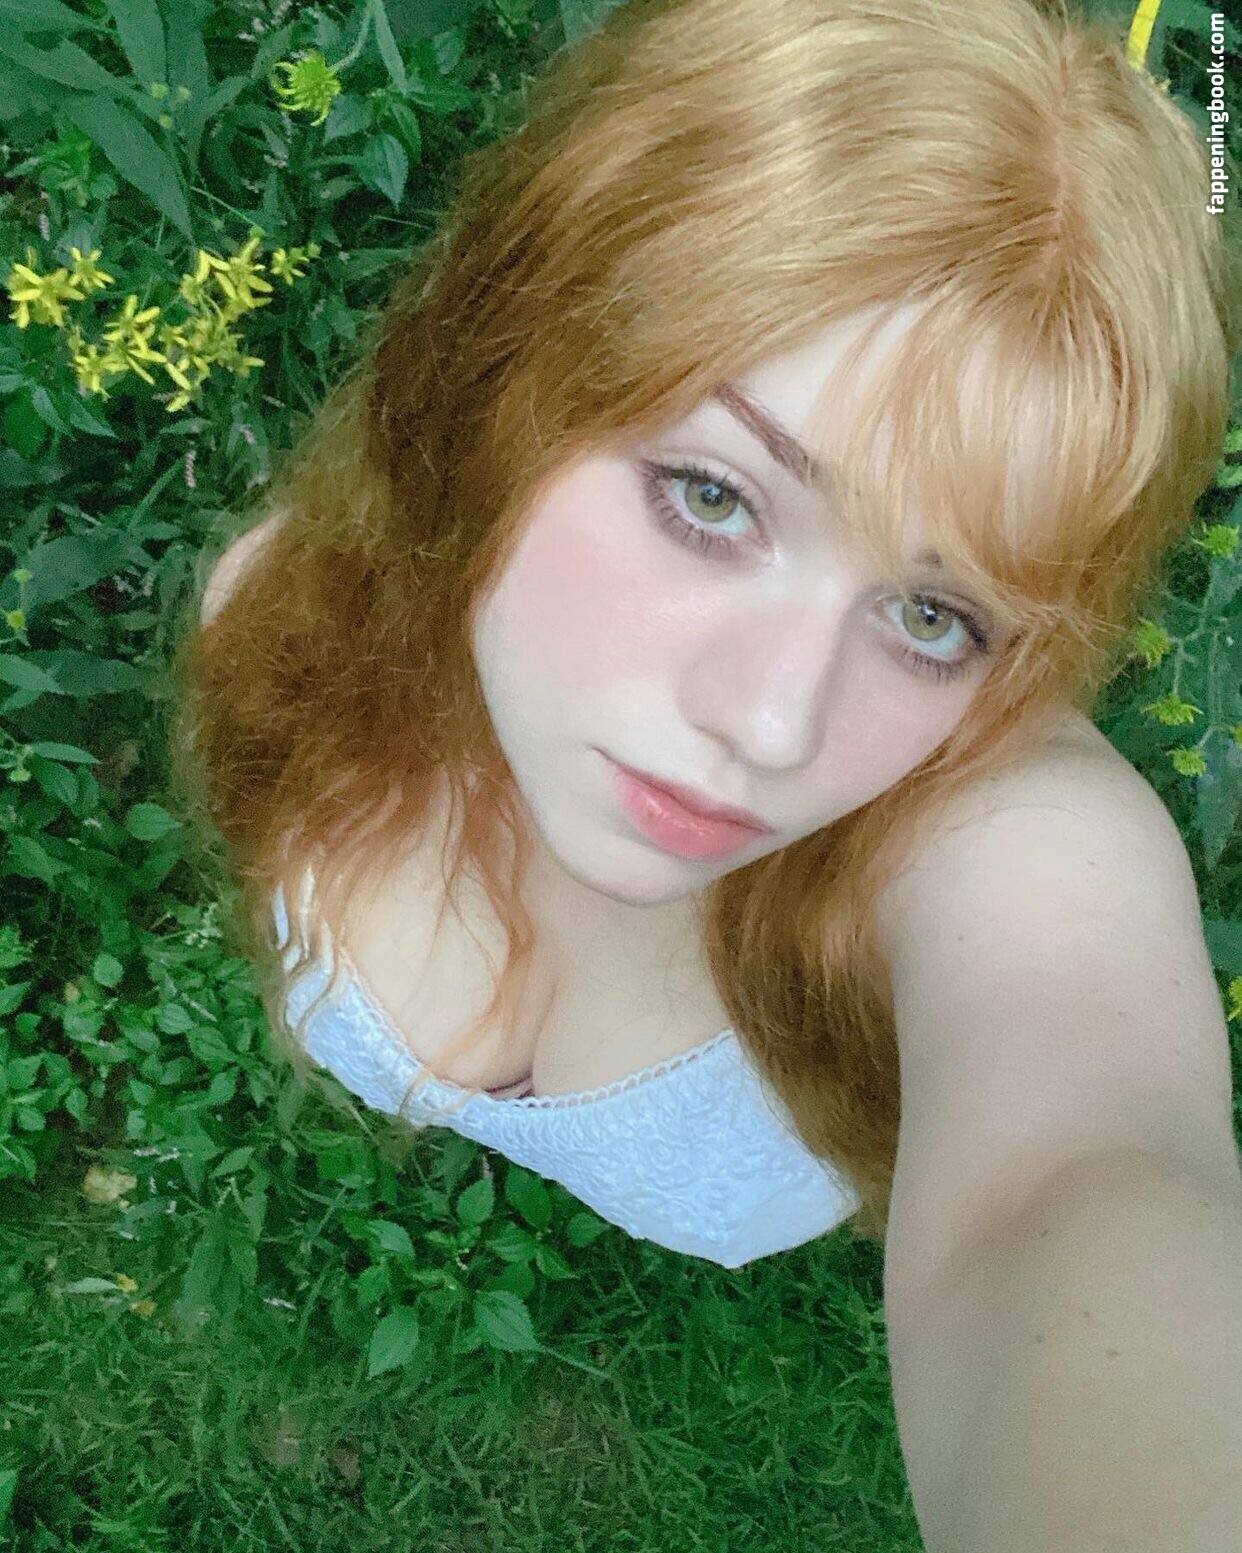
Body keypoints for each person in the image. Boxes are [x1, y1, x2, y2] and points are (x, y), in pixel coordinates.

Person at [172, 0, 1242, 1545]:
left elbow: (1086, 1173)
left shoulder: (994, 838)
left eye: (932, 616)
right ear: (501, 361)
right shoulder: (281, 616)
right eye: (711, 497)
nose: (774, 726)